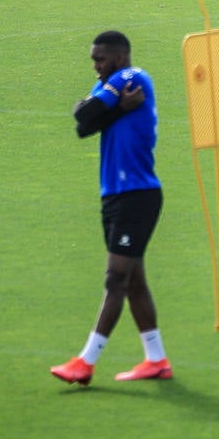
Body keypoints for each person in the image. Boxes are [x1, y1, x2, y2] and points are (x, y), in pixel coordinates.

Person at [51, 30, 172, 385]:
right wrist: (118, 107)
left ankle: (85, 363)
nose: (96, 68)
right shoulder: (118, 89)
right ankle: (156, 359)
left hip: (137, 195)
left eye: (100, 59)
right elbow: (82, 123)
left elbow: (86, 112)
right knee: (134, 282)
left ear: (119, 57)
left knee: (115, 279)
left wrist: (105, 106)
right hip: (117, 195)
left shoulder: (130, 77)